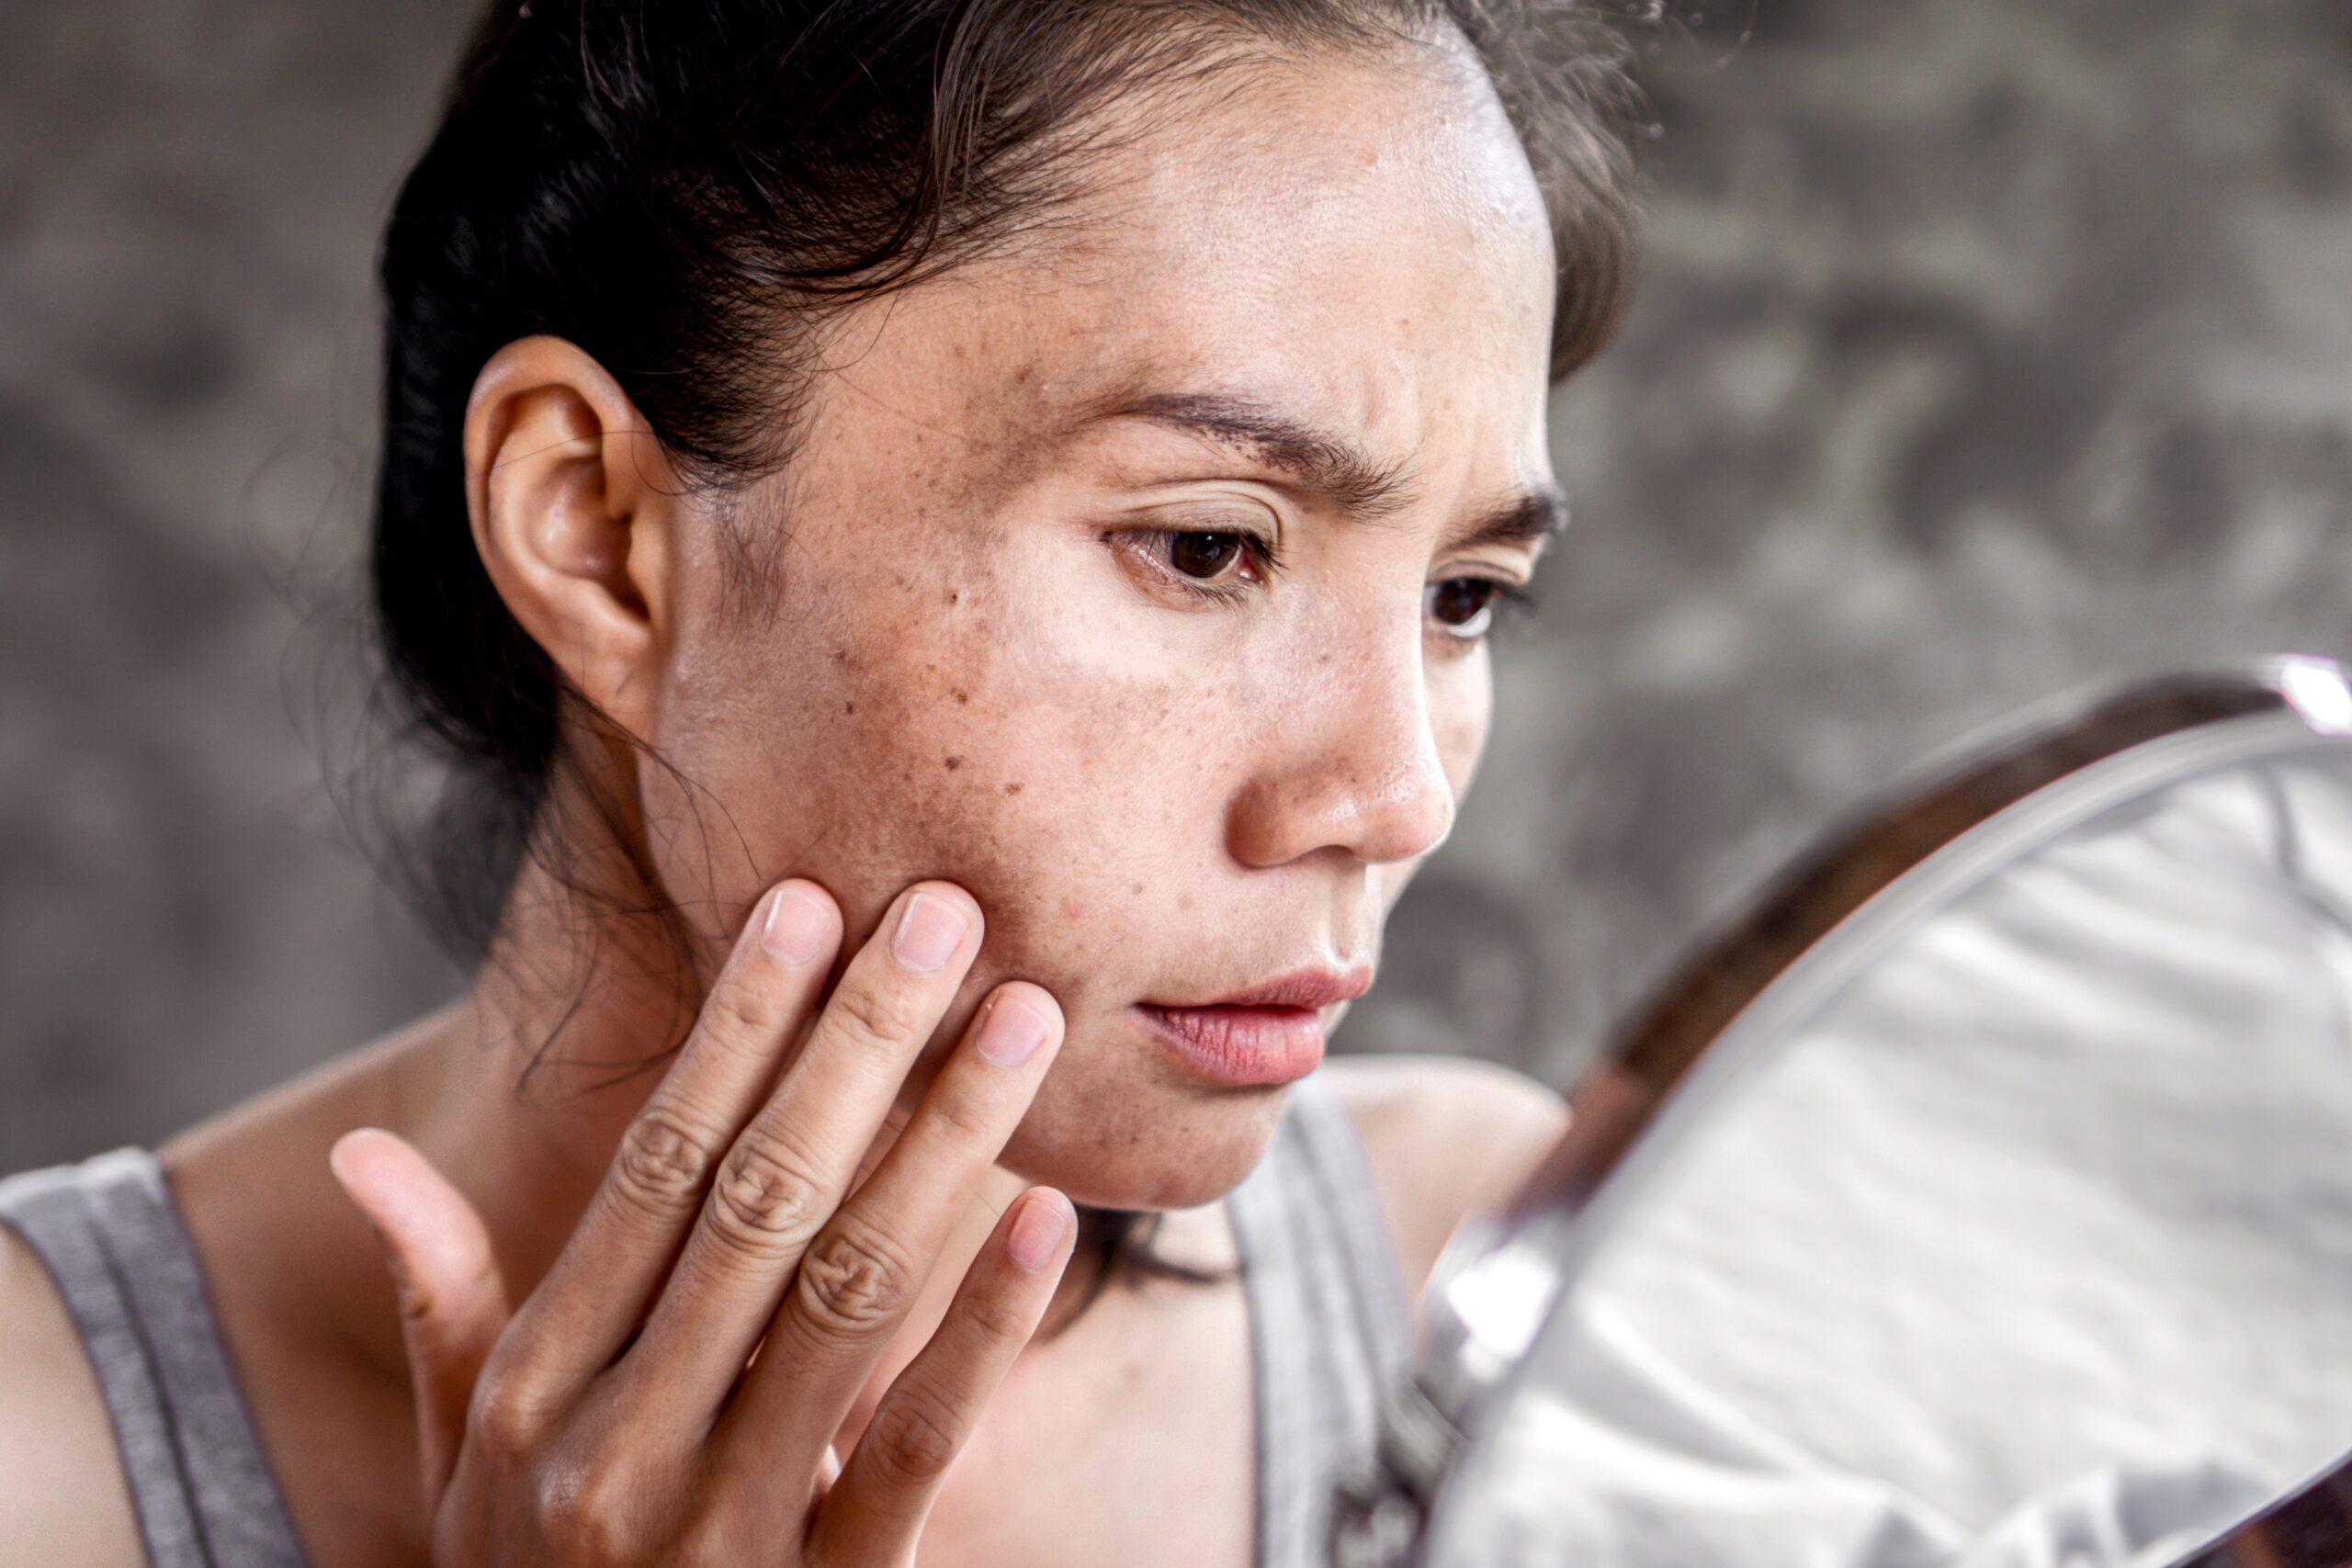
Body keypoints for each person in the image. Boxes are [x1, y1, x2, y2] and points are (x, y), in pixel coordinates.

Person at [0, 0, 1639, 1562]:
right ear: (601, 537)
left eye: (1462, 596)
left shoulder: (1499, 1305)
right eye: (1205, 546)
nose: (1397, 793)